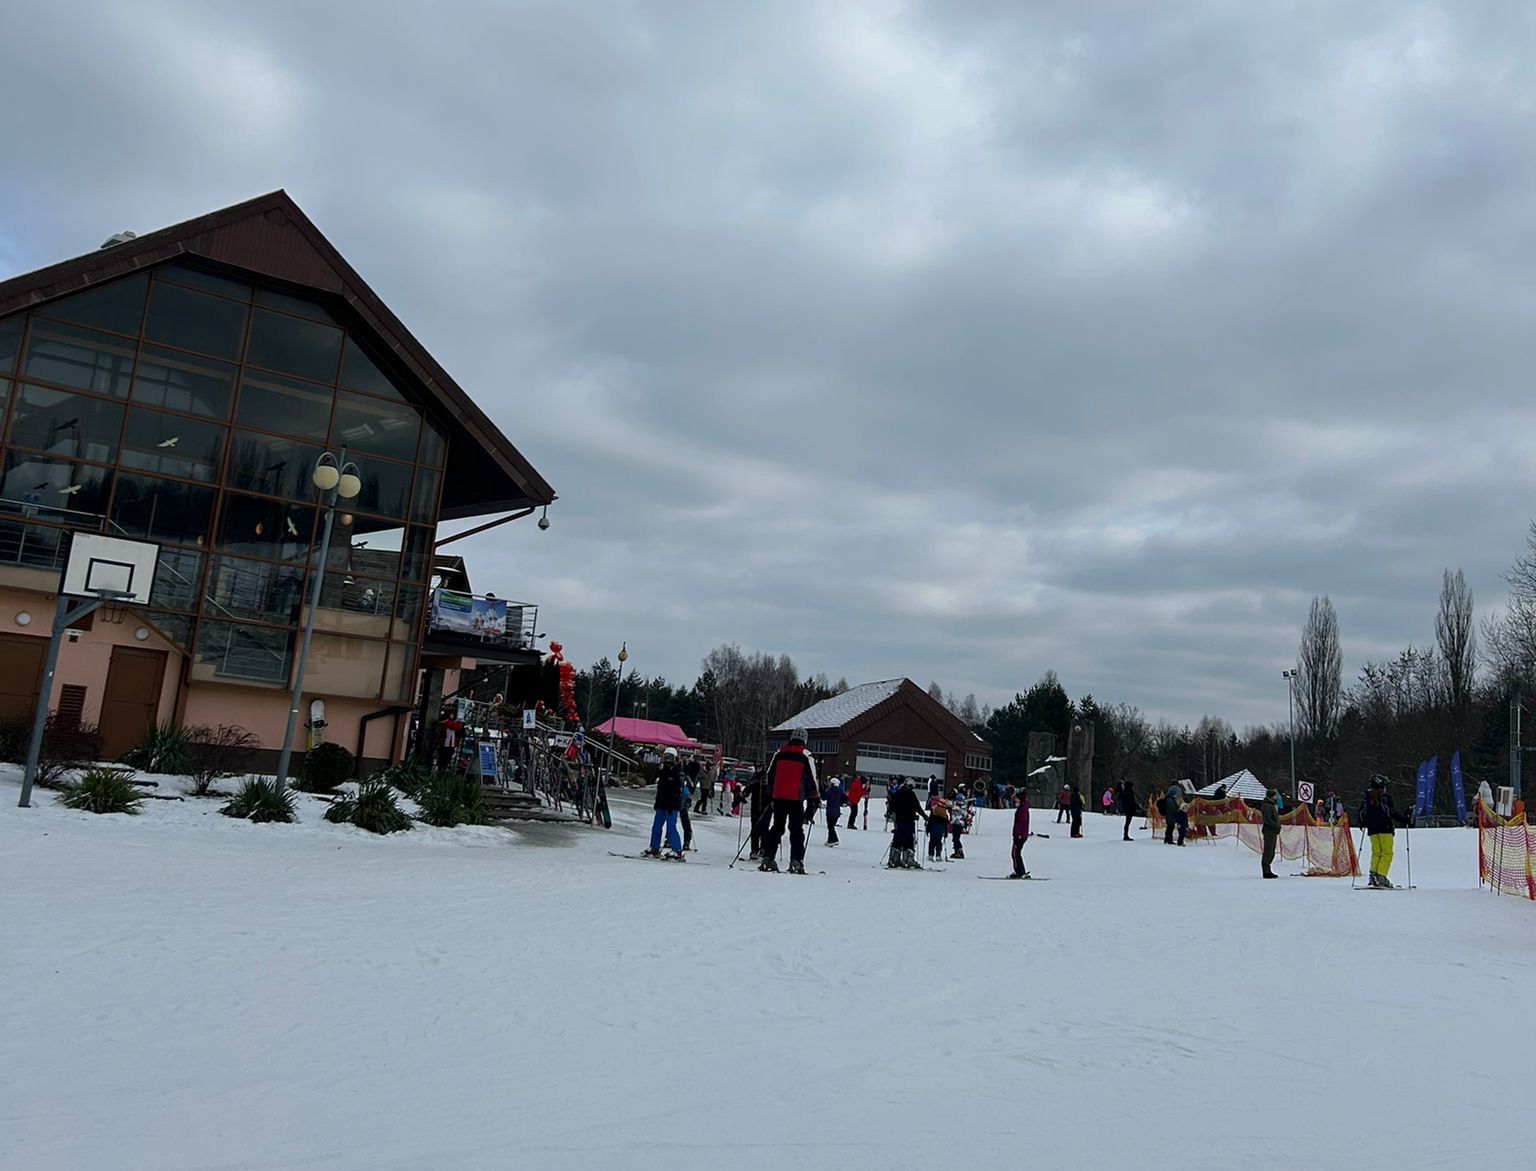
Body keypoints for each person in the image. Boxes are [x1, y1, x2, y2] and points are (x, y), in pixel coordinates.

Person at [760, 730, 818, 874]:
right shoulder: (804, 757)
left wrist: (771, 793)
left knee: (777, 828)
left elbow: (770, 775)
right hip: (796, 798)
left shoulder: (779, 754)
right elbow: (811, 778)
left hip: (779, 797)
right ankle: (796, 861)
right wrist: (814, 796)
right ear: (804, 741)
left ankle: (768, 857)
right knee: (796, 830)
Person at [1359, 777, 1406, 888]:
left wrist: (1363, 823)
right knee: (1387, 853)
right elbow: (1391, 812)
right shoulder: (1385, 798)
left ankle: (1373, 875)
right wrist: (1404, 819)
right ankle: (1381, 876)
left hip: (1373, 830)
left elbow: (1362, 813)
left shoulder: (1367, 799)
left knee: (1376, 853)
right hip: (1385, 829)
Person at [642, 747, 685, 859]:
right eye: (666, 757)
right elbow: (660, 789)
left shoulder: (677, 772)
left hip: (672, 805)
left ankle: (677, 850)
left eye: (670, 758)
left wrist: (675, 802)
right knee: (656, 826)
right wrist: (657, 802)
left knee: (671, 828)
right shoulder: (663, 772)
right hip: (662, 803)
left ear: (675, 759)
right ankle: (654, 847)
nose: (668, 760)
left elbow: (677, 789)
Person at [886, 778, 925, 869]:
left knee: (898, 838)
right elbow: (916, 806)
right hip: (909, 821)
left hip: (899, 820)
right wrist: (923, 816)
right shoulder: (911, 794)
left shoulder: (898, 793)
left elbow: (892, 805)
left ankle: (894, 859)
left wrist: (894, 814)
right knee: (910, 839)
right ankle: (908, 859)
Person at [1260, 789, 1281, 879]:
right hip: (1269, 831)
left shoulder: (1272, 805)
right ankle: (1266, 871)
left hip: (1272, 832)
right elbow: (1268, 820)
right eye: (1275, 796)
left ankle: (1268, 869)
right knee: (1268, 851)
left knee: (1271, 851)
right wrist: (1276, 826)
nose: (1276, 797)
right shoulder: (1267, 806)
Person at [1010, 788, 1031, 878]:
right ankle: (1018, 871)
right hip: (1019, 834)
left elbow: (1021, 822)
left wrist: (1018, 835)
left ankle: (1021, 872)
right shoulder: (1022, 807)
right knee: (1015, 853)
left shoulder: (1022, 809)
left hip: (1020, 835)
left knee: (1016, 853)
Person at [927, 793, 950, 862]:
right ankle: (938, 855)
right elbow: (946, 824)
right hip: (940, 829)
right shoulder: (944, 814)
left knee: (932, 842)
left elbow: (930, 821)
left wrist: (928, 829)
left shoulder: (934, 811)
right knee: (938, 842)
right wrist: (946, 833)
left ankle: (931, 855)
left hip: (933, 828)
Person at [823, 778, 843, 845]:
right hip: (837, 812)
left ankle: (834, 839)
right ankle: (830, 840)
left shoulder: (830, 791)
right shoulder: (840, 791)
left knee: (830, 827)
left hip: (830, 812)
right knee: (831, 826)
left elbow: (823, 797)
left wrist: (824, 789)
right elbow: (845, 798)